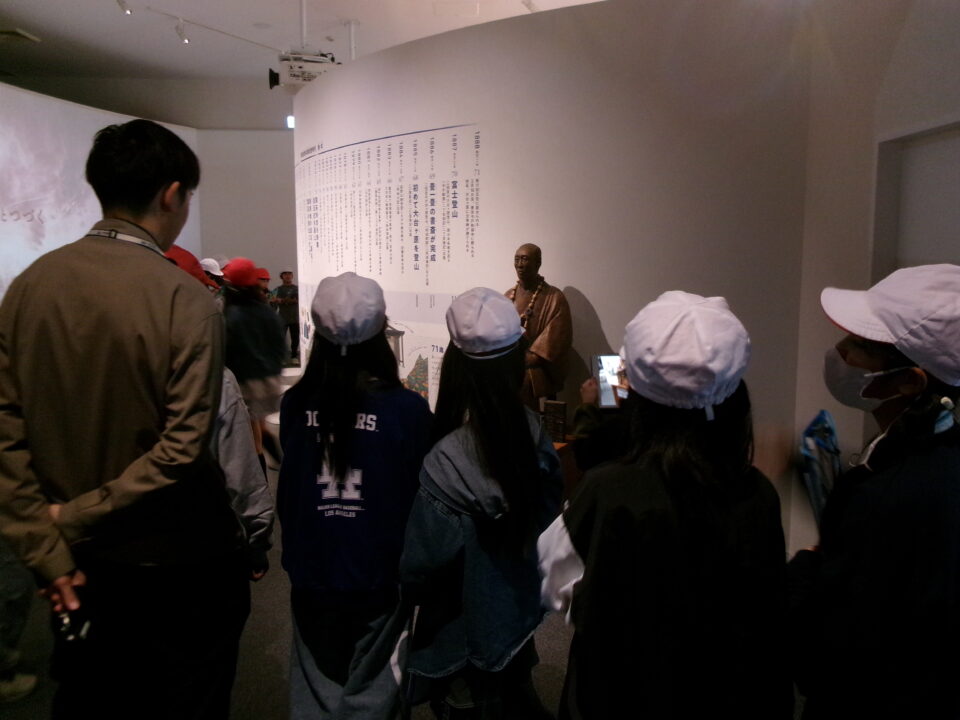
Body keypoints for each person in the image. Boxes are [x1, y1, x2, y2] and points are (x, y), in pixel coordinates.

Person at [0, 119, 247, 718]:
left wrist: (47, 544)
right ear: (172, 194)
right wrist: (75, 516)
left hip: (77, 561)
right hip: (175, 559)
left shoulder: (29, 287)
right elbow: (182, 448)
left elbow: (7, 434)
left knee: (92, 696)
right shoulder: (184, 298)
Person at [540, 291, 791, 719]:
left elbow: (554, 583)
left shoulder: (606, 491)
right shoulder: (758, 493)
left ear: (637, 398)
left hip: (620, 694)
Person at [790, 264, 960, 720]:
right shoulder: (933, 459)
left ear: (910, 381)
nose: (839, 352)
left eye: (860, 346)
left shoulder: (889, 495)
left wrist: (807, 565)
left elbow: (828, 651)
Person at [401, 287, 563, 719]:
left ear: (456, 366)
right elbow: (550, 526)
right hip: (516, 619)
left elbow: (419, 565)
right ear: (516, 363)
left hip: (458, 636)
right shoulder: (534, 434)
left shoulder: (444, 461)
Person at [278, 272, 432, 720]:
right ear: (382, 333)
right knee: (376, 693)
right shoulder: (407, 410)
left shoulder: (295, 405)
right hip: (380, 572)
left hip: (312, 568)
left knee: (316, 689)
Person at [222, 257, 287, 474]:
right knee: (258, 426)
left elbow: (229, 351)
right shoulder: (264, 309)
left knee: (252, 436)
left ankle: (263, 477)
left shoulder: (231, 314)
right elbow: (279, 345)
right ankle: (278, 461)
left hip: (246, 383)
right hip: (269, 379)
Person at [505, 244, 572, 410]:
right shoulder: (507, 297)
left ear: (538, 263)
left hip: (537, 365)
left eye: (525, 259)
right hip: (509, 360)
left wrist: (532, 356)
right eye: (517, 259)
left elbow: (558, 337)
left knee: (523, 382)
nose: (520, 264)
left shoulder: (554, 297)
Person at [273, 270, 300, 361]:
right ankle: (281, 357)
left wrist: (282, 300)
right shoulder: (277, 289)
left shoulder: (297, 289)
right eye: (285, 274)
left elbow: (300, 300)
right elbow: (271, 301)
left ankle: (294, 356)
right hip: (282, 317)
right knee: (280, 338)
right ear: (282, 276)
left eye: (289, 274)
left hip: (295, 317)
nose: (287, 276)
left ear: (292, 276)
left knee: (295, 338)